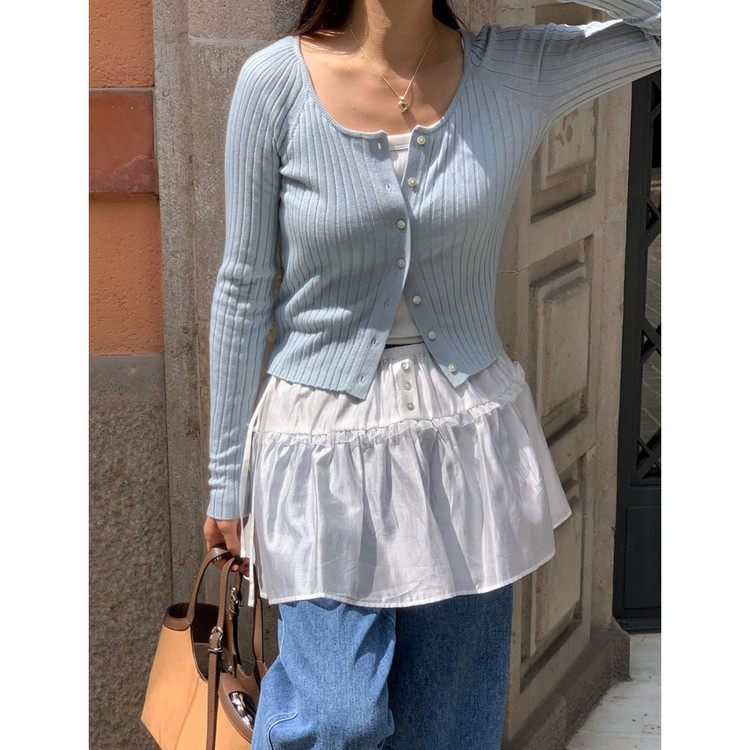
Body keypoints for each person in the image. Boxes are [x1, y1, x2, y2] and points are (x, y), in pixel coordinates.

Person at [203, 0, 661, 747]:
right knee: (336, 718)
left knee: (448, 728)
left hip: (465, 446)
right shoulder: (275, 83)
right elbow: (243, 288)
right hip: (320, 450)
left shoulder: (516, 72)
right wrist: (226, 479)